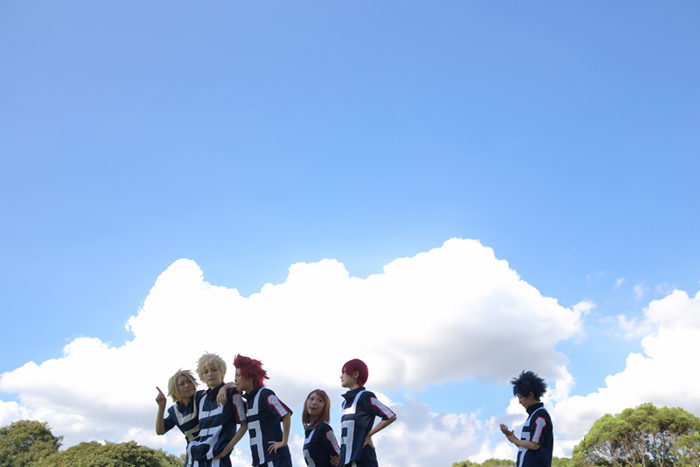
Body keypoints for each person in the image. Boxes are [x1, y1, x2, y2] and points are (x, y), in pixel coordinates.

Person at [232, 354, 293, 467]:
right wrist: (224, 388)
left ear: (250, 377)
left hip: (275, 459)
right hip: (259, 462)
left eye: (238, 375)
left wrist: (284, 442)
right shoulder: (248, 401)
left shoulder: (265, 394)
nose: (235, 379)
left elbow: (285, 413)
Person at [187, 352, 248, 467]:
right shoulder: (201, 398)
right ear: (202, 376)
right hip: (198, 460)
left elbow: (244, 425)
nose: (210, 374)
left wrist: (226, 450)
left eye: (214, 370)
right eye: (205, 372)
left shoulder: (232, 394)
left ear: (222, 372)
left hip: (219, 460)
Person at [338, 359, 396, 467]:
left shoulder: (364, 396)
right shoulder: (344, 403)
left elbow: (390, 415)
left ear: (355, 374)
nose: (341, 376)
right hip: (347, 462)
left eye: (344, 372)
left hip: (363, 459)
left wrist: (369, 435)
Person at [499, 371, 554, 467]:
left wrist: (515, 440)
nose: (519, 402)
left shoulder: (540, 415)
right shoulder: (533, 415)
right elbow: (527, 446)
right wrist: (512, 438)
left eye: (520, 397)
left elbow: (534, 445)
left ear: (531, 395)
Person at [156, 370, 206, 466]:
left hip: (211, 449)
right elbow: (160, 431)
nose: (187, 385)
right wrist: (161, 408)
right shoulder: (175, 411)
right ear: (175, 389)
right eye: (182, 384)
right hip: (193, 454)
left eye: (189, 381)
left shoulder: (202, 397)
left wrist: (225, 388)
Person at [302, 389, 340, 467]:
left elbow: (338, 454)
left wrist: (340, 459)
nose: (314, 402)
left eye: (320, 400)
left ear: (325, 407)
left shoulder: (324, 428)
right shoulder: (310, 431)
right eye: (311, 398)